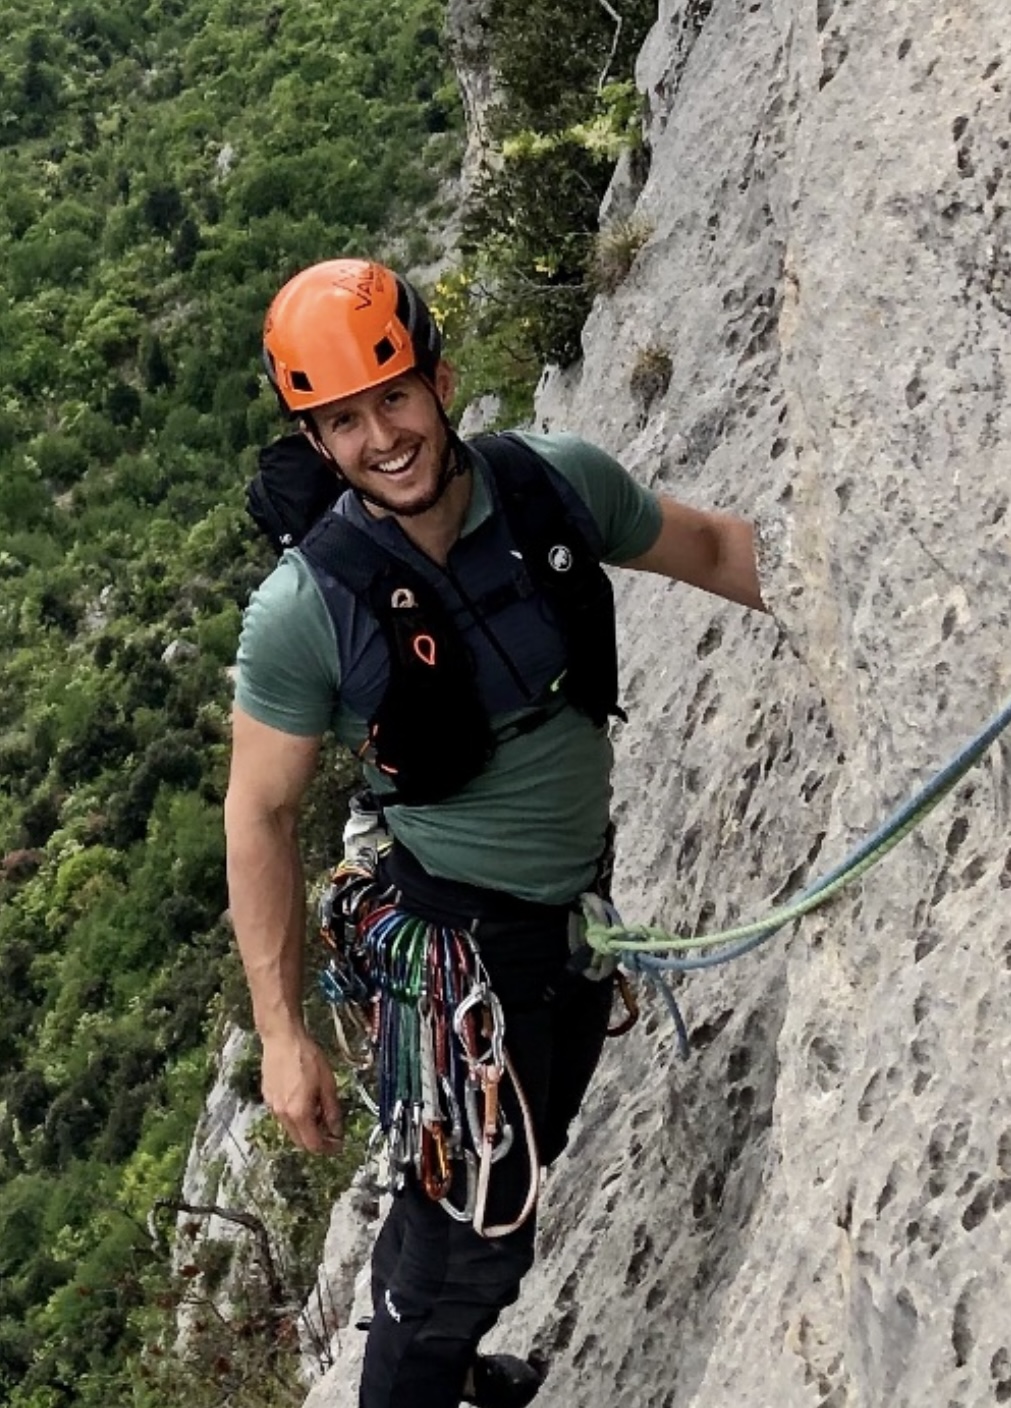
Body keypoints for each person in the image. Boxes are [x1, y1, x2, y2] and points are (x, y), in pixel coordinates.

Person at [224, 258, 765, 1408]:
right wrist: (280, 1035)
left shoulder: (549, 487)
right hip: (462, 951)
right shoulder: (305, 609)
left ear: (440, 379)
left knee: (476, 1188)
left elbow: (713, 550)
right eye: (345, 422)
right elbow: (260, 811)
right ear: (317, 444)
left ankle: (436, 1348)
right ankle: (424, 1366)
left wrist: (865, 593)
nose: (384, 438)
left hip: (563, 923)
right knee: (477, 1237)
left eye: (397, 397)